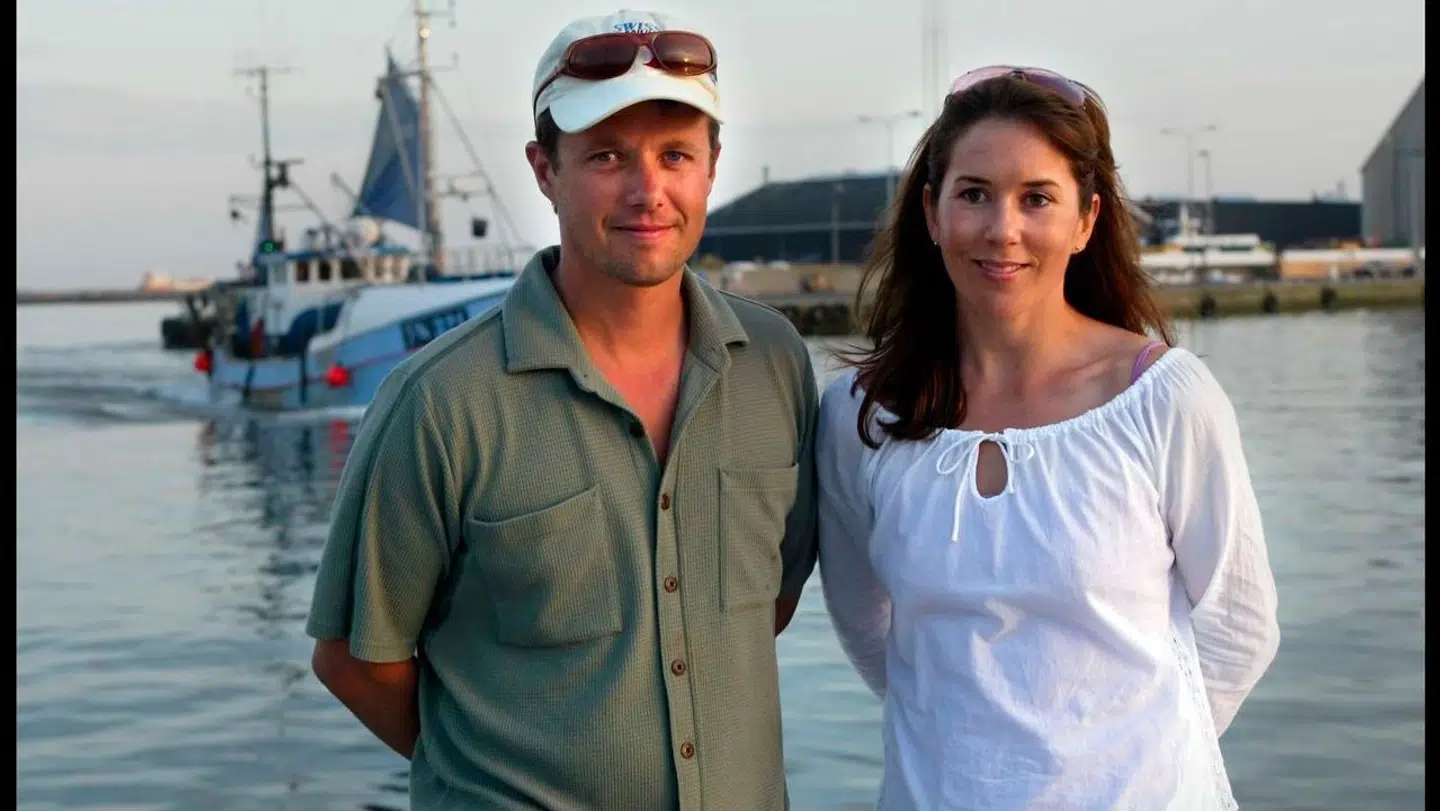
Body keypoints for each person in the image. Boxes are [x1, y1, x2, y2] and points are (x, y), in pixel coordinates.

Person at [305, 10, 820, 810]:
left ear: (712, 166)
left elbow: (763, 606)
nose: (648, 191)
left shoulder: (776, 364)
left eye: (675, 155)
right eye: (607, 156)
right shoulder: (438, 402)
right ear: (544, 170)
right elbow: (353, 659)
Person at [816, 66, 1280, 810]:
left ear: (1085, 220)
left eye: (1037, 198)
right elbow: (867, 623)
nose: (1004, 229)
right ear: (932, 214)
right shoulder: (860, 417)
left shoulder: (1164, 399)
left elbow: (1242, 626)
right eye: (974, 194)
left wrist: (1125, 762)